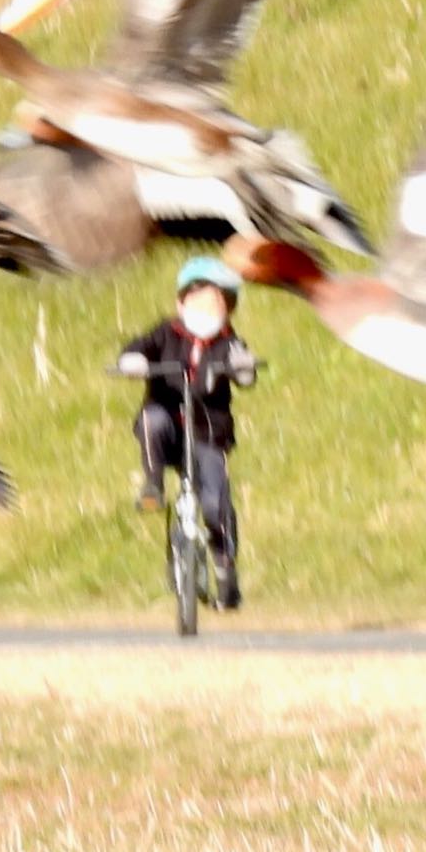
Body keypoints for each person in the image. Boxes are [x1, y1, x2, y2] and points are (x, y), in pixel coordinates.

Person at [116, 254, 258, 609]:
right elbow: (138, 348)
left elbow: (244, 367)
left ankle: (225, 568)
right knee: (152, 420)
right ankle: (152, 483)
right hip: (169, 425)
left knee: (215, 503)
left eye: (218, 303)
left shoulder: (227, 341)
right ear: (181, 302)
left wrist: (243, 369)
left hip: (208, 433)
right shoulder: (167, 332)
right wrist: (132, 362)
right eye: (200, 302)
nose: (209, 311)